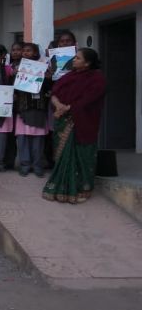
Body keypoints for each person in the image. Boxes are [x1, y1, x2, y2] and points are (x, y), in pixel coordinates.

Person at [43, 48, 106, 204]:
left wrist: (67, 108)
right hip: (62, 120)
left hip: (83, 122)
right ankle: (61, 187)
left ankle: (83, 188)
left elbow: (89, 100)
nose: (74, 60)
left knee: (82, 155)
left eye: (78, 58)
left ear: (87, 63)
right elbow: (55, 92)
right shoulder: (69, 76)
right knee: (63, 155)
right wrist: (58, 105)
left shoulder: (97, 79)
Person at [15, 42, 50, 178]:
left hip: (38, 108)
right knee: (23, 138)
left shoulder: (43, 67)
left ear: (35, 53)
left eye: (28, 50)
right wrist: (14, 75)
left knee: (38, 139)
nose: (25, 53)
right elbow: (12, 88)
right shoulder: (16, 67)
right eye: (23, 50)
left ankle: (37, 165)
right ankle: (25, 165)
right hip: (23, 108)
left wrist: (47, 78)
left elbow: (47, 88)